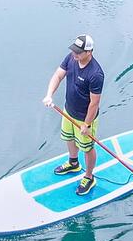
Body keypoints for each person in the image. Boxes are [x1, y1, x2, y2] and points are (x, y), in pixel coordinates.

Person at [43, 33, 104, 196]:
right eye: (74, 50)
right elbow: (58, 75)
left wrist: (87, 124)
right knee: (69, 138)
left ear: (89, 52)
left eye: (78, 51)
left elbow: (94, 103)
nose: (74, 54)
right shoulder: (71, 58)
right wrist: (49, 95)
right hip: (68, 111)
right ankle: (73, 163)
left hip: (84, 118)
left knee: (87, 147)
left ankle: (89, 177)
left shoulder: (95, 74)